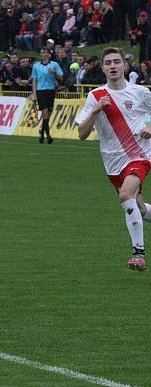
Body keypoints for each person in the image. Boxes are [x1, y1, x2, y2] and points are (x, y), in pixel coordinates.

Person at [76, 47, 151, 271]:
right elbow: (82, 134)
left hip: (140, 155)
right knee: (138, 206)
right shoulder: (96, 96)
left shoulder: (141, 92)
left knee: (126, 194)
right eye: (108, 63)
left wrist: (149, 127)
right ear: (103, 67)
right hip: (112, 161)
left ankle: (138, 254)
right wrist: (97, 110)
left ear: (125, 65)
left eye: (116, 61)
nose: (113, 66)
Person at [31, 47, 63, 144]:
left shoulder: (54, 65)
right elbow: (34, 81)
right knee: (45, 113)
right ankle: (48, 136)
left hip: (51, 91)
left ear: (49, 54)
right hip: (41, 91)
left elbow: (61, 78)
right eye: (41, 52)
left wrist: (55, 73)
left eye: (44, 52)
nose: (42, 54)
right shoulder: (36, 66)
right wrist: (34, 94)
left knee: (48, 114)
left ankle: (42, 131)